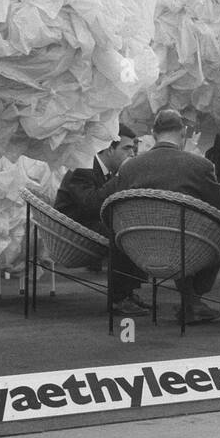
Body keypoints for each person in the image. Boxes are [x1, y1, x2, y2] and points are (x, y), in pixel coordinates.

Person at [101, 109, 220, 324]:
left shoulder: (130, 167)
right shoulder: (200, 166)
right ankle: (192, 299)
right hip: (189, 246)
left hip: (140, 245)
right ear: (183, 133)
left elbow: (110, 203)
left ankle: (126, 296)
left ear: (154, 134)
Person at [53, 124, 147, 312]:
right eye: (127, 148)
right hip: (72, 226)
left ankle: (128, 292)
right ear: (110, 149)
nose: (132, 154)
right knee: (123, 233)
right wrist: (120, 177)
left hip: (92, 221)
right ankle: (118, 298)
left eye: (133, 149)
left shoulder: (106, 171)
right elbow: (91, 204)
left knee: (135, 228)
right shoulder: (83, 166)